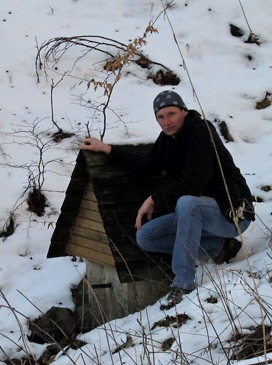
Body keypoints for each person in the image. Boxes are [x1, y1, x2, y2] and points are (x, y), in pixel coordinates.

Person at [81, 90, 254, 309]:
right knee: (146, 236)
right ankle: (217, 246)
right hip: (199, 216)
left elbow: (195, 183)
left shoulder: (201, 130)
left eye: (171, 114)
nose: (166, 121)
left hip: (231, 213)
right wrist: (106, 149)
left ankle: (183, 283)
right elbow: (145, 166)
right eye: (160, 117)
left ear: (184, 111)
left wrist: (153, 199)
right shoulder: (168, 139)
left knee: (187, 202)